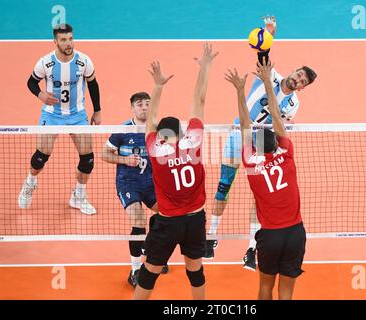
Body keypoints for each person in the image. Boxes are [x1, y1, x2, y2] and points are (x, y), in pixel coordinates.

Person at [205, 16, 316, 271]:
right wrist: (269, 35)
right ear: (293, 71)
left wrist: (272, 152)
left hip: (262, 143)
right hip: (239, 131)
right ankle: (211, 237)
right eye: (298, 74)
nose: (297, 80)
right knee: (224, 184)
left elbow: (280, 127)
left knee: (261, 195)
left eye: (302, 81)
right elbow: (264, 53)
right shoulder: (272, 75)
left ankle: (252, 248)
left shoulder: (294, 105)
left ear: (303, 87)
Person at [133, 43, 218, 300]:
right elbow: (199, 101)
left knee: (150, 272)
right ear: (181, 132)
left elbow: (150, 120)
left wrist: (158, 86)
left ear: (160, 136)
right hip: (195, 220)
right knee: (195, 269)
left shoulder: (156, 152)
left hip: (168, 222)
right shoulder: (193, 141)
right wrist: (205, 67)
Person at [225, 59, 306, 300]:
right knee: (286, 293)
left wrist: (240, 90)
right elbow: (278, 122)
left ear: (256, 148)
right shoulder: (287, 156)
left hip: (269, 236)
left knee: (264, 288)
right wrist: (273, 88)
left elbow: (244, 127)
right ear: (277, 145)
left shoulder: (251, 164)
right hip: (294, 234)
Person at [18, 23, 102, 215]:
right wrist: (40, 94)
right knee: (41, 156)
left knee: (88, 159)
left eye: (70, 38)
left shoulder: (83, 61)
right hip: (52, 114)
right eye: (63, 40)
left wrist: (97, 110)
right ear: (55, 41)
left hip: (77, 115)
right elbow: (31, 82)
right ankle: (29, 183)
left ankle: (78, 197)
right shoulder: (45, 62)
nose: (68, 43)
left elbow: (93, 84)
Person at [101, 92, 168, 288]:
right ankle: (135, 269)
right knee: (138, 220)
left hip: (151, 183)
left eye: (148, 104)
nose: (144, 107)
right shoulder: (122, 130)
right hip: (128, 183)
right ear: (132, 108)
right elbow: (104, 153)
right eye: (140, 104)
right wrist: (124, 160)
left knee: (166, 214)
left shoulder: (156, 130)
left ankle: (153, 251)